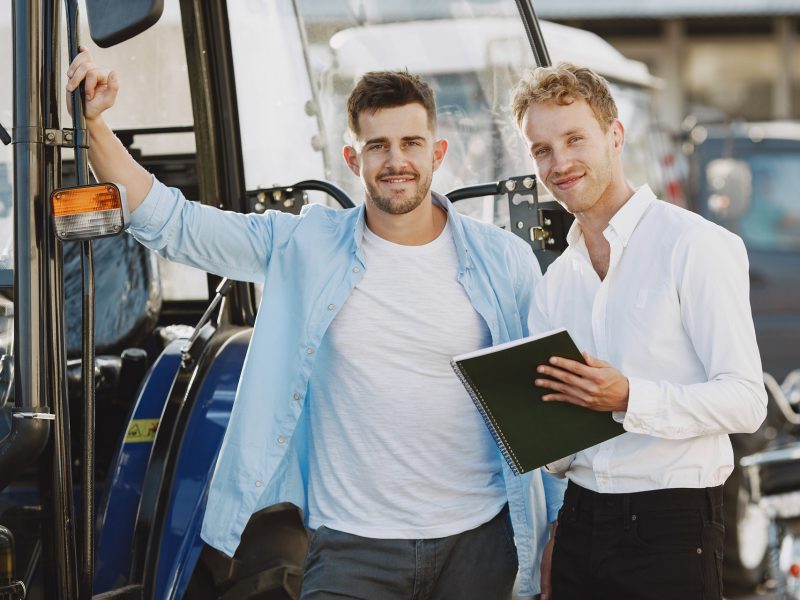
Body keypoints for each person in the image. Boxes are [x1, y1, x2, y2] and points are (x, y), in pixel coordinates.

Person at [66, 49, 565, 600]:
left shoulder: (504, 261)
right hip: (353, 548)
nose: (395, 160)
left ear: (437, 152)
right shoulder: (305, 245)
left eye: (410, 144)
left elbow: (540, 407)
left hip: (480, 543)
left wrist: (557, 530)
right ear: (354, 159)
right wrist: (93, 126)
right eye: (378, 146)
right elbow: (175, 223)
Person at [511, 63, 767, 600]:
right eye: (541, 150)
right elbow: (560, 448)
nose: (559, 162)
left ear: (615, 136)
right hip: (579, 521)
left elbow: (747, 402)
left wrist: (629, 396)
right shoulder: (555, 281)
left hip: (672, 527)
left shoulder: (693, 246)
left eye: (574, 138)